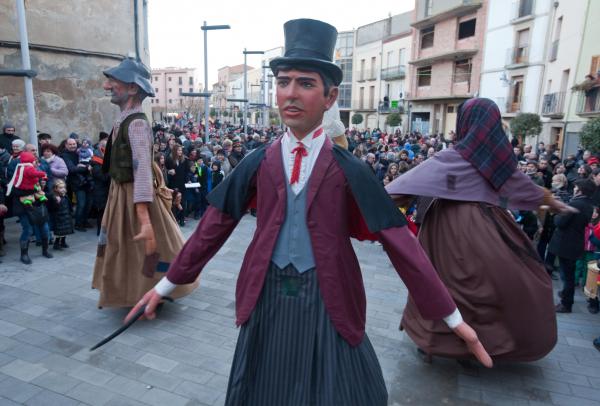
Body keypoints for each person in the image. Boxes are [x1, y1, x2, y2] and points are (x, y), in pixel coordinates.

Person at [128, 19, 491, 406]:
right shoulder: (256, 162)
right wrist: (165, 286)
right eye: (283, 82)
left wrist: (452, 317)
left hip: (328, 294)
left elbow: (401, 244)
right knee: (265, 385)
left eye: (305, 83)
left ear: (330, 96)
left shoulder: (350, 167)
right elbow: (211, 230)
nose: (290, 93)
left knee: (342, 389)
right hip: (267, 292)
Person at [386, 98, 573, 362]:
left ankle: (433, 341)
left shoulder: (450, 157)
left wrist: (372, 207)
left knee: (440, 283)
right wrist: (554, 203)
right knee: (489, 288)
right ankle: (483, 343)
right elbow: (525, 188)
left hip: (444, 233)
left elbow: (402, 187)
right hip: (489, 230)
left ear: (465, 123)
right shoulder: (500, 161)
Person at [92, 58, 198, 308]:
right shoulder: (124, 119)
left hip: (133, 194)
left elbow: (141, 171)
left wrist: (144, 217)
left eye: (114, 82)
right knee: (125, 245)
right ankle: (134, 288)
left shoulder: (137, 123)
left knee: (146, 245)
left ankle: (156, 287)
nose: (107, 87)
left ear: (132, 89)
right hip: (121, 192)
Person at [550, 178, 596, 313]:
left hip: (566, 244)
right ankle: (565, 296)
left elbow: (559, 222)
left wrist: (557, 211)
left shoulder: (576, 203)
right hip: (575, 243)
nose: (574, 189)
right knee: (568, 275)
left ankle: (566, 303)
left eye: (576, 187)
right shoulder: (588, 203)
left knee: (567, 277)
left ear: (580, 189)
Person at [47, 179, 73, 250]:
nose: (63, 189)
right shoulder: (54, 197)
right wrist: (57, 202)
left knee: (66, 230)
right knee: (59, 232)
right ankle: (56, 243)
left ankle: (63, 242)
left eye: (64, 187)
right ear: (55, 188)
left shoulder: (65, 195)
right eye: (60, 188)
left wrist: (70, 211)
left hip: (66, 215)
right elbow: (51, 208)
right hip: (59, 217)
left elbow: (68, 204)